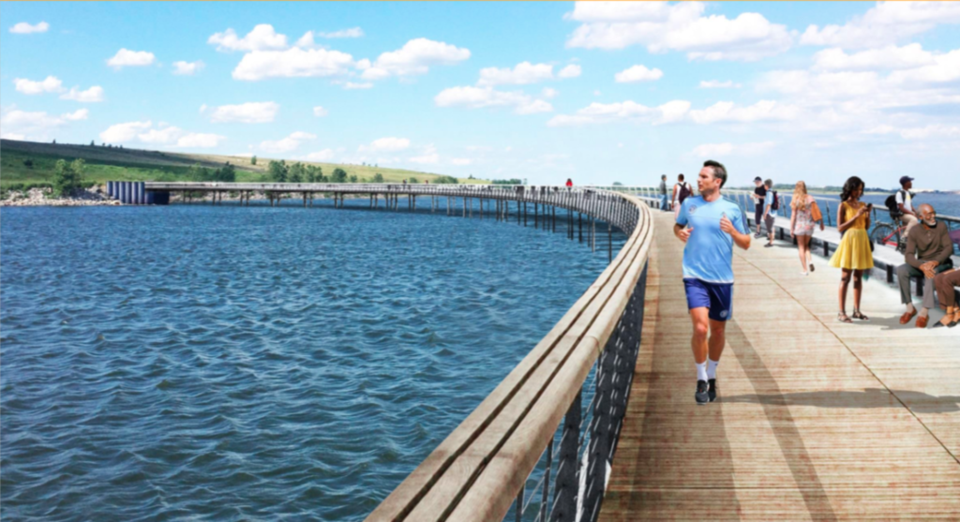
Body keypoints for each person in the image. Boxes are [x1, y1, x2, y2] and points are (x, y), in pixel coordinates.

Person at [674, 160, 750, 405]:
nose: (699, 180)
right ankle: (700, 377)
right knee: (700, 329)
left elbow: (746, 243)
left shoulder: (732, 209)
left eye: (704, 177)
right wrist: (679, 233)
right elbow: (678, 225)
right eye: (698, 176)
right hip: (694, 275)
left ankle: (713, 374)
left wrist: (732, 232)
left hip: (722, 279)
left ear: (717, 182)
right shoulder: (689, 204)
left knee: (717, 331)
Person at [897, 204, 954, 328]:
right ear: (920, 217)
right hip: (923, 263)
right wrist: (921, 266)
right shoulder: (914, 231)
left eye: (934, 213)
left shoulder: (941, 226)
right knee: (901, 270)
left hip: (942, 263)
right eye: (929, 214)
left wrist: (936, 261)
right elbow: (909, 255)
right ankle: (909, 309)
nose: (933, 216)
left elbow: (949, 248)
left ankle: (924, 312)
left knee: (930, 274)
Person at [829, 176, 874, 323]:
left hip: (861, 240)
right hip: (849, 241)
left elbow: (866, 227)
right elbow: (840, 227)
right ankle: (841, 312)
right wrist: (856, 215)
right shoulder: (843, 205)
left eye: (861, 189)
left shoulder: (861, 204)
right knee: (845, 277)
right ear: (850, 188)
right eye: (856, 189)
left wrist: (867, 214)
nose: (859, 192)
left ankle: (856, 311)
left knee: (858, 278)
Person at [789, 181, 824, 275]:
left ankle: (805, 270)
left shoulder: (795, 199)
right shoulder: (810, 198)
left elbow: (793, 216)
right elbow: (817, 211)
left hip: (799, 227)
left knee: (801, 247)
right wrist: (821, 222)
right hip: (810, 226)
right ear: (805, 187)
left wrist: (791, 229)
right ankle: (810, 261)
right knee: (806, 245)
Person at [762, 179, 778, 248]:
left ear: (767, 185)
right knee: (772, 227)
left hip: (770, 214)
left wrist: (765, 213)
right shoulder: (771, 192)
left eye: (764, 185)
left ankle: (771, 242)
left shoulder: (769, 193)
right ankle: (771, 240)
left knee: (770, 229)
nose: (763, 186)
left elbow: (768, 204)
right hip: (773, 213)